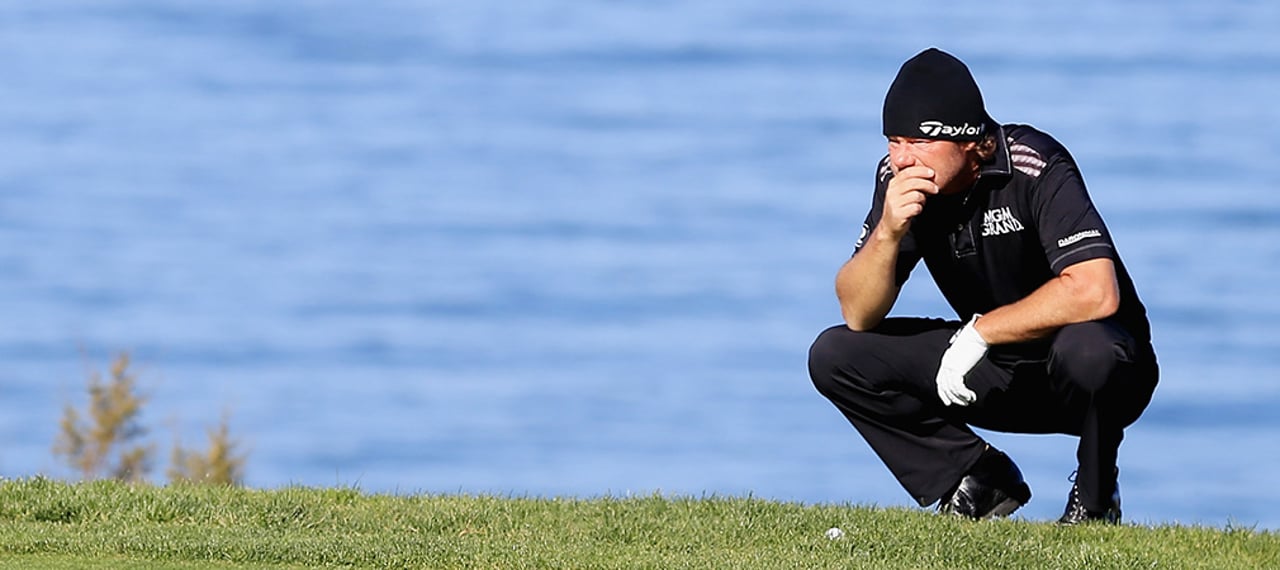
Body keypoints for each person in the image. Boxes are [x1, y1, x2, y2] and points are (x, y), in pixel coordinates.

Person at [807, 48, 1158, 524]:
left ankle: (1095, 501)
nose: (903, 158)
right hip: (996, 371)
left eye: (919, 141)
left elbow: (1096, 291)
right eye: (894, 140)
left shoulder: (1035, 164)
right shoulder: (897, 180)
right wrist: (888, 231)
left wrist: (980, 332)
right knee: (835, 355)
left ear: (970, 141)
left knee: (1089, 349)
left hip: (1097, 373)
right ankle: (977, 477)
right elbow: (858, 312)